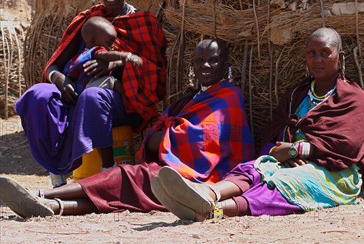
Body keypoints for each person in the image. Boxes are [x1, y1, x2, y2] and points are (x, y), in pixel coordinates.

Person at [0, 39, 255, 218]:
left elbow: (204, 140)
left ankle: (41, 194)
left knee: (122, 179)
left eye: (213, 60)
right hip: (171, 168)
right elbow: (165, 129)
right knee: (120, 192)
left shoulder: (228, 97)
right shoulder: (191, 97)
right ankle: (54, 205)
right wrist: (166, 132)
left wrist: (164, 135)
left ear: (225, 65)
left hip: (198, 177)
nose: (205, 66)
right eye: (199, 60)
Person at [151, 27, 364, 221]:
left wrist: (296, 150)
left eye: (325, 53)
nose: (317, 60)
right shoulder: (297, 94)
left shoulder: (353, 97)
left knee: (282, 182)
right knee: (255, 167)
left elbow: (347, 146)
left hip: (334, 172)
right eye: (312, 54)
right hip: (290, 162)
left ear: (340, 56)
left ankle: (213, 210)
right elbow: (275, 133)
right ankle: (208, 192)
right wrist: (279, 153)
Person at [15, 0, 167, 185]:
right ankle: (57, 171)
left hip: (122, 102)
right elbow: (54, 64)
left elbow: (154, 73)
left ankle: (108, 169)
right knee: (39, 95)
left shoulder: (144, 23)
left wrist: (118, 64)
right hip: (78, 91)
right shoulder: (87, 21)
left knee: (93, 96)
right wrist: (60, 80)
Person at [63, 16, 142, 95]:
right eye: (109, 43)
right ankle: (128, 99)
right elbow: (108, 55)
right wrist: (128, 56)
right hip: (90, 86)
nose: (112, 47)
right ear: (93, 42)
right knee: (112, 81)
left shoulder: (80, 56)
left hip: (77, 87)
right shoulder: (96, 50)